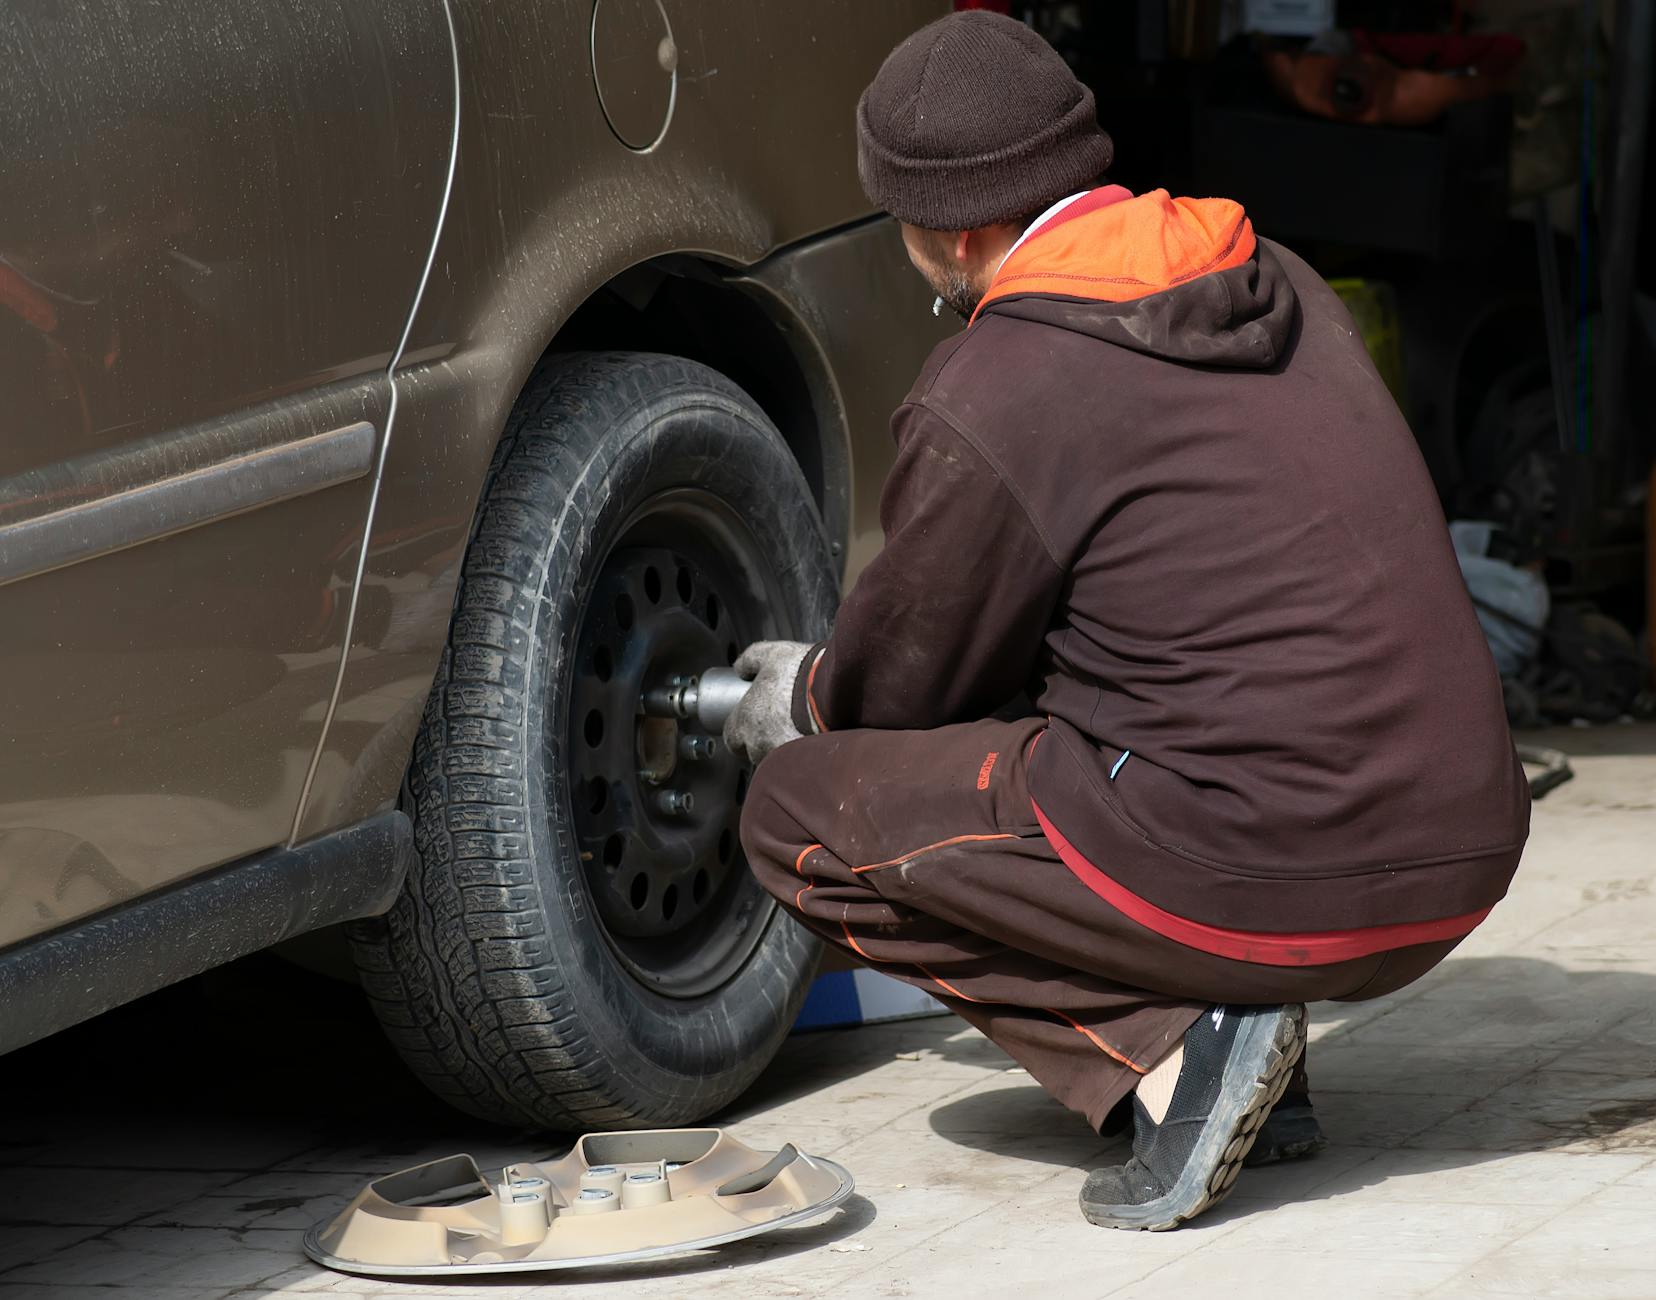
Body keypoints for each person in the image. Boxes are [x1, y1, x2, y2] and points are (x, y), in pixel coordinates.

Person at [722, 10, 1529, 1231]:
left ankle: (1181, 1045)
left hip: (1267, 865)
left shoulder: (1001, 387)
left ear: (950, 231)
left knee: (797, 810)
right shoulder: (1273, 275)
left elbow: (900, 694)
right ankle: (1263, 1067)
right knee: (1101, 712)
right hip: (1461, 853)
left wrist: (798, 697)